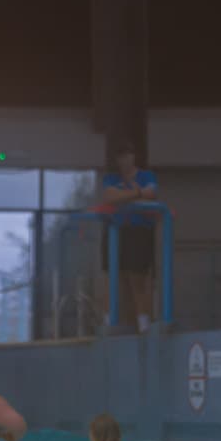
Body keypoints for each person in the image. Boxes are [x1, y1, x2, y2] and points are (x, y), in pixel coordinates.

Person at [100, 141, 159, 331]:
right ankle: (109, 321)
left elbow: (151, 194)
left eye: (127, 155)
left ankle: (143, 323)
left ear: (133, 157)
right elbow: (109, 197)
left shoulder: (146, 175)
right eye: (120, 156)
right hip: (116, 229)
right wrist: (137, 193)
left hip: (139, 230)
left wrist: (124, 195)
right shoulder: (111, 178)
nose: (124, 160)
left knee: (137, 278)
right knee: (113, 276)